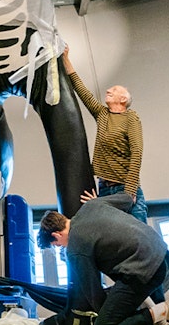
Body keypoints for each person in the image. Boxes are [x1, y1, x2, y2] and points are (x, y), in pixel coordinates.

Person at [37, 194, 169, 325]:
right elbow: (128, 199)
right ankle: (155, 319)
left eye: (57, 244)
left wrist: (111, 316)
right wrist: (98, 201)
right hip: (161, 251)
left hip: (145, 269)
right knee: (118, 271)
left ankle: (167, 310)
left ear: (56, 235)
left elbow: (93, 292)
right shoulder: (92, 205)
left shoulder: (75, 248)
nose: (61, 247)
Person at [61, 46, 146, 222]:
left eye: (114, 90)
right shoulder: (102, 114)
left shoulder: (131, 117)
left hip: (125, 188)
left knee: (139, 236)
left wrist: (129, 192)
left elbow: (136, 152)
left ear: (123, 99)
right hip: (105, 188)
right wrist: (66, 59)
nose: (108, 90)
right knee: (114, 239)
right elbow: (82, 91)